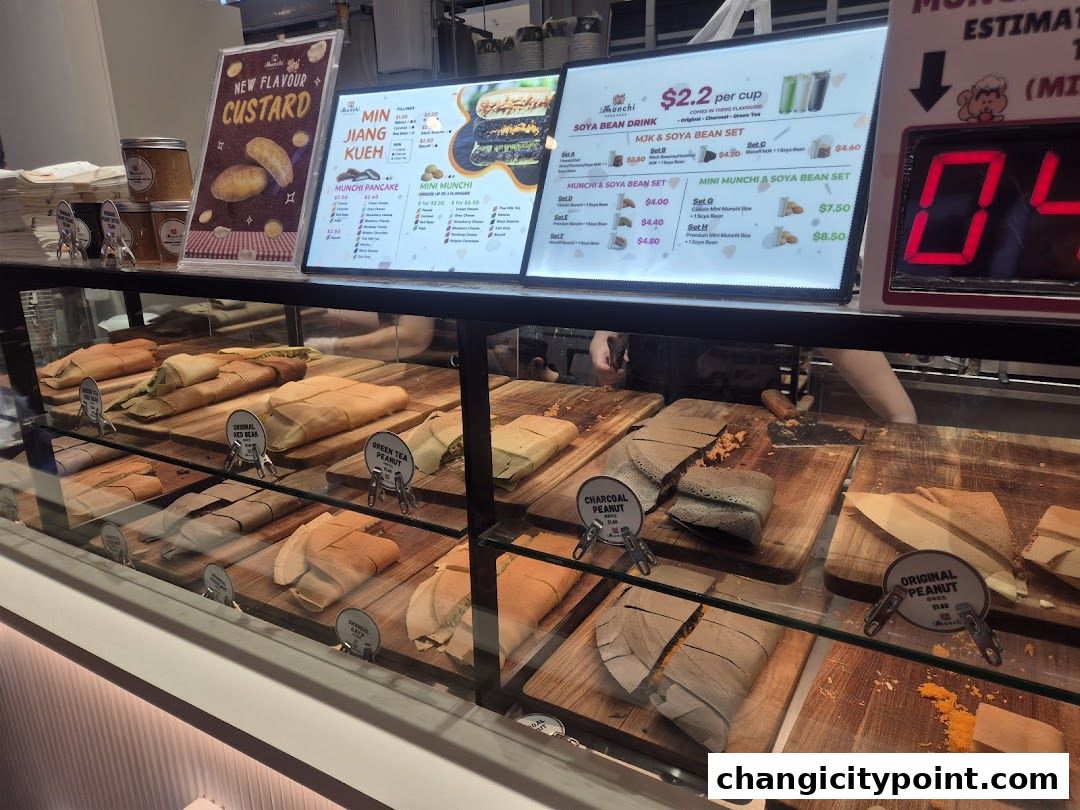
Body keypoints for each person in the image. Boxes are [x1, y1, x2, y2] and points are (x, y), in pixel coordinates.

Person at [590, 330, 917, 423]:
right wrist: (605, 330)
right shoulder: (658, 231)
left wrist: (898, 413)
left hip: (743, 429)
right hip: (646, 416)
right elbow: (626, 287)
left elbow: (832, 325)